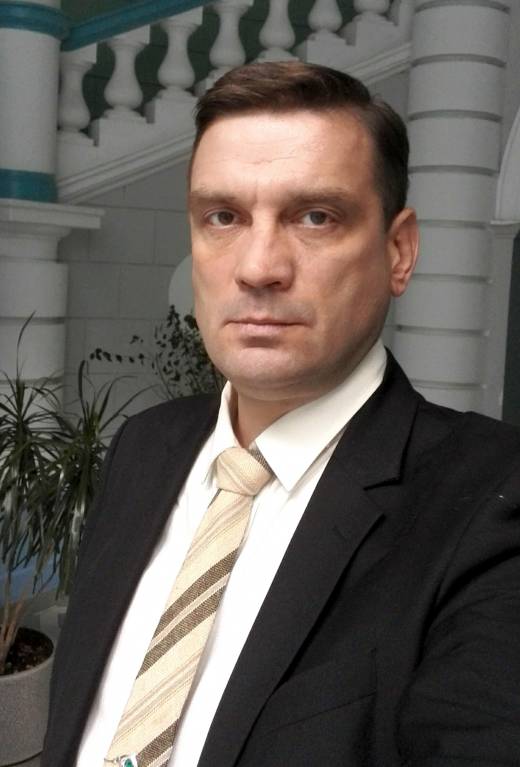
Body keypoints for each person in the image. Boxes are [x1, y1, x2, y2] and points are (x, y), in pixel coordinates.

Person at [42, 61, 520, 767]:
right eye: (223, 217)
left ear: (398, 251)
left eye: (315, 217)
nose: (258, 267)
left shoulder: (488, 504)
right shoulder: (146, 445)